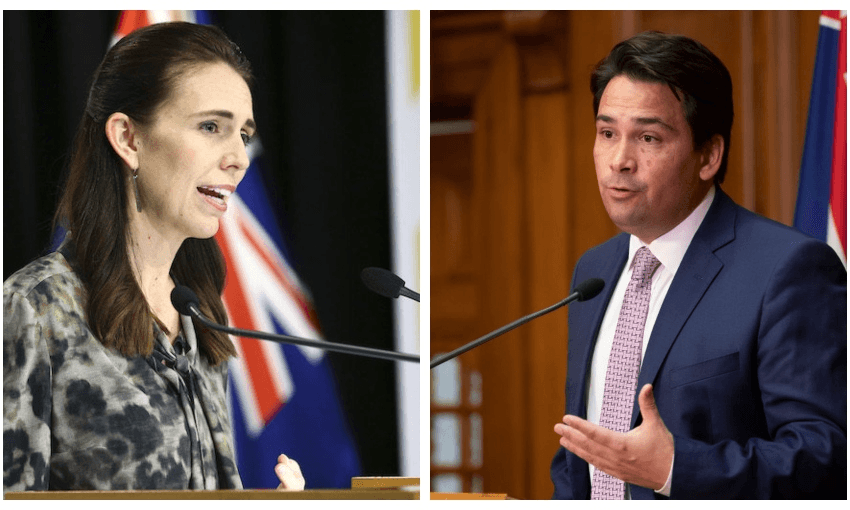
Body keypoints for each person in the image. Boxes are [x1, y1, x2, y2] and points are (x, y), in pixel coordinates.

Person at [3, 22, 304, 492]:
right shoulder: (35, 308)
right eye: (211, 127)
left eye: (242, 134)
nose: (239, 157)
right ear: (128, 138)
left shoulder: (200, 314)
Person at [550, 31, 846, 499]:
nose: (619, 161)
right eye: (607, 133)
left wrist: (674, 468)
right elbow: (581, 458)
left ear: (708, 155)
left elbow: (825, 458)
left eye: (647, 137)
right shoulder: (595, 271)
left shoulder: (788, 270)